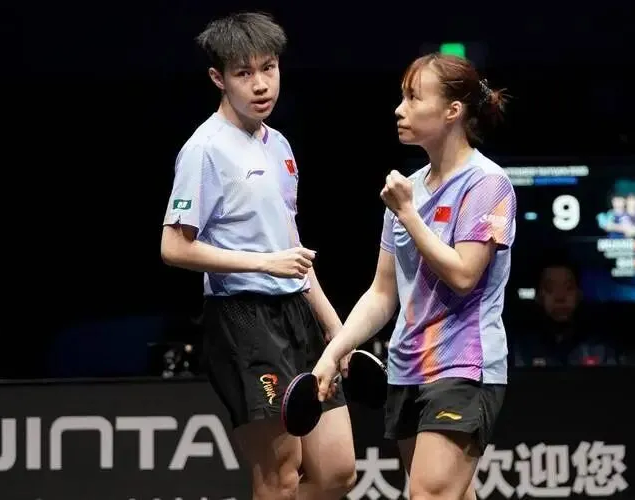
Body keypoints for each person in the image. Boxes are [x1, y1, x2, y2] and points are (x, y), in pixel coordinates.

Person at [160, 12, 355, 500]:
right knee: (280, 476)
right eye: (244, 73)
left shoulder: (280, 146)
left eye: (268, 68)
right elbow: (174, 247)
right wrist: (262, 262)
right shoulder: (204, 150)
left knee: (337, 472)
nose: (261, 84)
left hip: (296, 313)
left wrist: (336, 329)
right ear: (218, 78)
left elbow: (292, 247)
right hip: (242, 319)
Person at [312, 53, 515, 500]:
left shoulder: (487, 184)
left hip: (464, 364)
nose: (399, 109)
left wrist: (408, 213)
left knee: (429, 494)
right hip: (407, 368)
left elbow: (464, 275)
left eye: (413, 98)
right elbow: (383, 293)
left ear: (452, 111)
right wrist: (335, 351)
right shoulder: (408, 187)